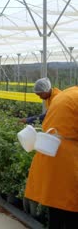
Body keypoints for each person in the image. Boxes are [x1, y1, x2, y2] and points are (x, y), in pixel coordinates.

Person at [25, 86, 78, 228]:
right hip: (67, 159)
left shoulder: (67, 93)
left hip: (51, 152)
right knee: (70, 208)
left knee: (56, 207)